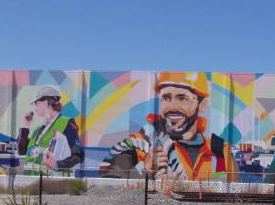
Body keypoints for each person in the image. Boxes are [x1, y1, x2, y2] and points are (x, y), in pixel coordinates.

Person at [99, 71, 239, 182]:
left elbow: (235, 192)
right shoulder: (137, 145)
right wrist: (143, 169)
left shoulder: (220, 151)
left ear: (201, 105)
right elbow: (105, 185)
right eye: (166, 98)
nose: (172, 107)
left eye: (182, 98)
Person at [17, 85, 84, 175]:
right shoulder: (37, 131)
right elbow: (21, 151)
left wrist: (57, 165)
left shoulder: (67, 124)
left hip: (52, 183)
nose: (35, 109)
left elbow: (78, 155)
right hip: (29, 181)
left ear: (45, 102)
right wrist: (26, 126)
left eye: (37, 104)